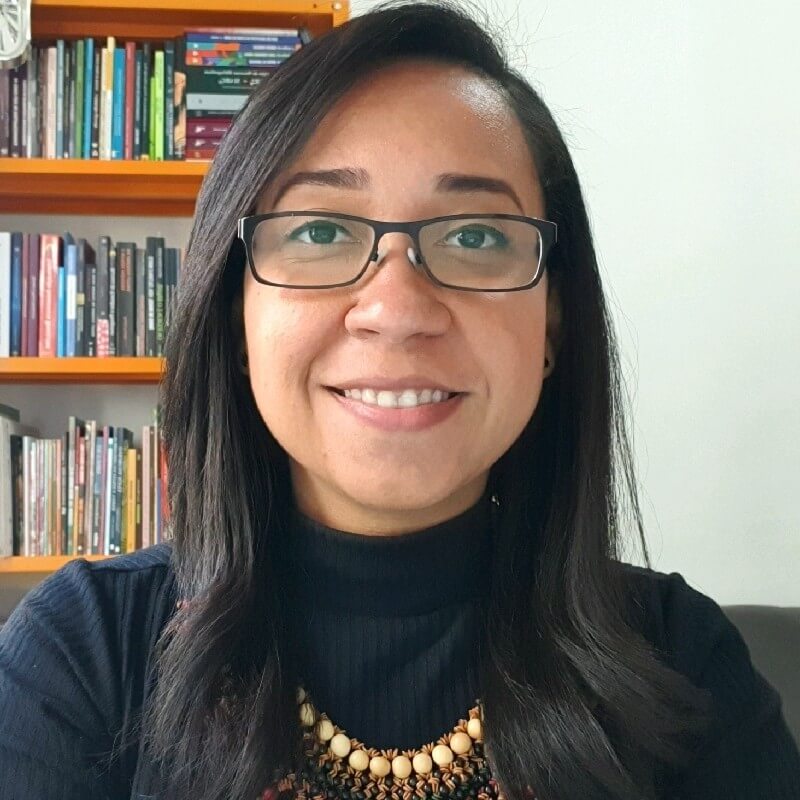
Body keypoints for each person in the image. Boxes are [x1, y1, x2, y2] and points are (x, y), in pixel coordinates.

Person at [1, 2, 798, 799]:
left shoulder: (683, 659)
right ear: (236, 314)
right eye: (320, 232)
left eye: (476, 236)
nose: (396, 308)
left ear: (552, 322)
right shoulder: (82, 654)